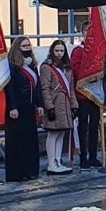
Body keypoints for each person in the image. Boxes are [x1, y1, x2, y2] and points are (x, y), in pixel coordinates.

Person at [4, 36, 44, 181]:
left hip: (29, 106)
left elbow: (37, 86)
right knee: (17, 141)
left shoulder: (32, 65)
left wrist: (39, 104)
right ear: (17, 48)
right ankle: (17, 173)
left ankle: (30, 171)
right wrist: (12, 107)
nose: (27, 48)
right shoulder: (12, 65)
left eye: (29, 45)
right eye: (24, 46)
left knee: (30, 141)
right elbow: (10, 88)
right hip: (17, 107)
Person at [40, 39, 77, 174]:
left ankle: (58, 160)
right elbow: (45, 89)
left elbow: (71, 88)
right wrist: (49, 107)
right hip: (54, 104)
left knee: (61, 132)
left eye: (62, 51)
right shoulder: (46, 67)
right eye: (57, 51)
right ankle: (51, 162)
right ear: (52, 51)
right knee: (53, 133)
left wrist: (74, 106)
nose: (59, 53)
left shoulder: (67, 68)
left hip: (65, 104)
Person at [70, 40, 103, 168]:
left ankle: (93, 156)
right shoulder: (78, 50)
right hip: (82, 94)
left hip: (96, 94)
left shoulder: (99, 50)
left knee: (95, 126)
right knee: (83, 126)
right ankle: (83, 157)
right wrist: (91, 70)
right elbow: (76, 69)